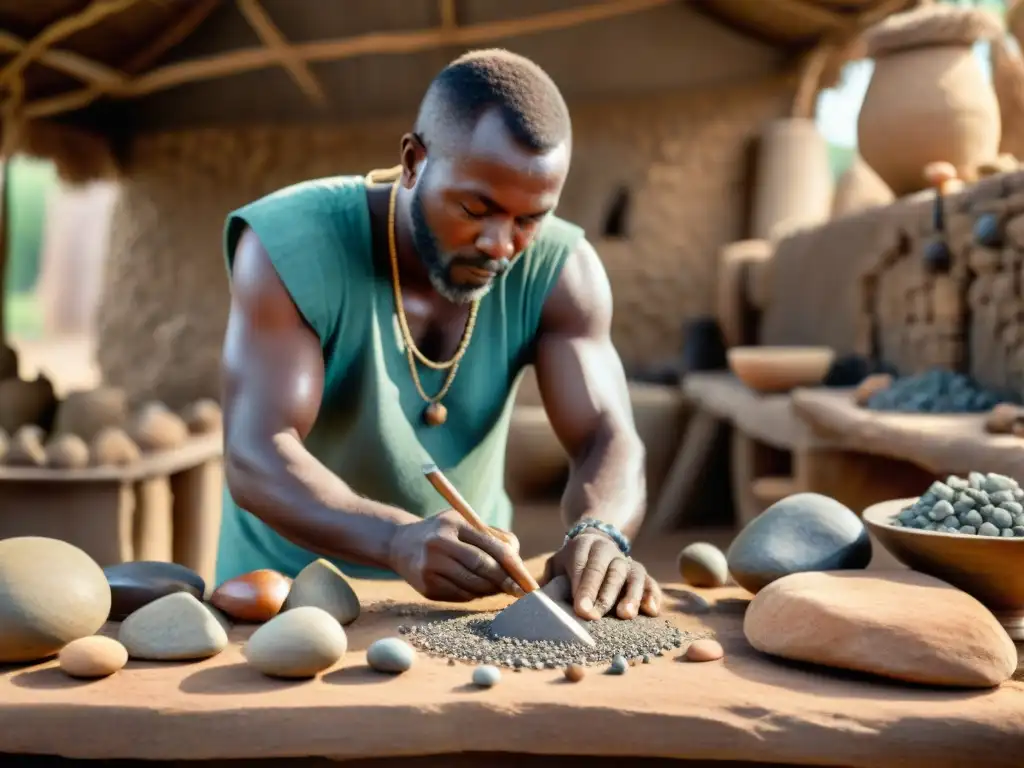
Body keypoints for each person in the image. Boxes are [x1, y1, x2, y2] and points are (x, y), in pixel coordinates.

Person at [217, 48, 662, 622]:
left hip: (466, 607)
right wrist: (395, 539)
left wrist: (601, 531)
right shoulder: (291, 247)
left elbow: (609, 433)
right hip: (286, 601)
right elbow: (256, 454)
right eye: (477, 208)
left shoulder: (563, 272)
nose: (501, 244)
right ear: (412, 161)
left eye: (530, 218)